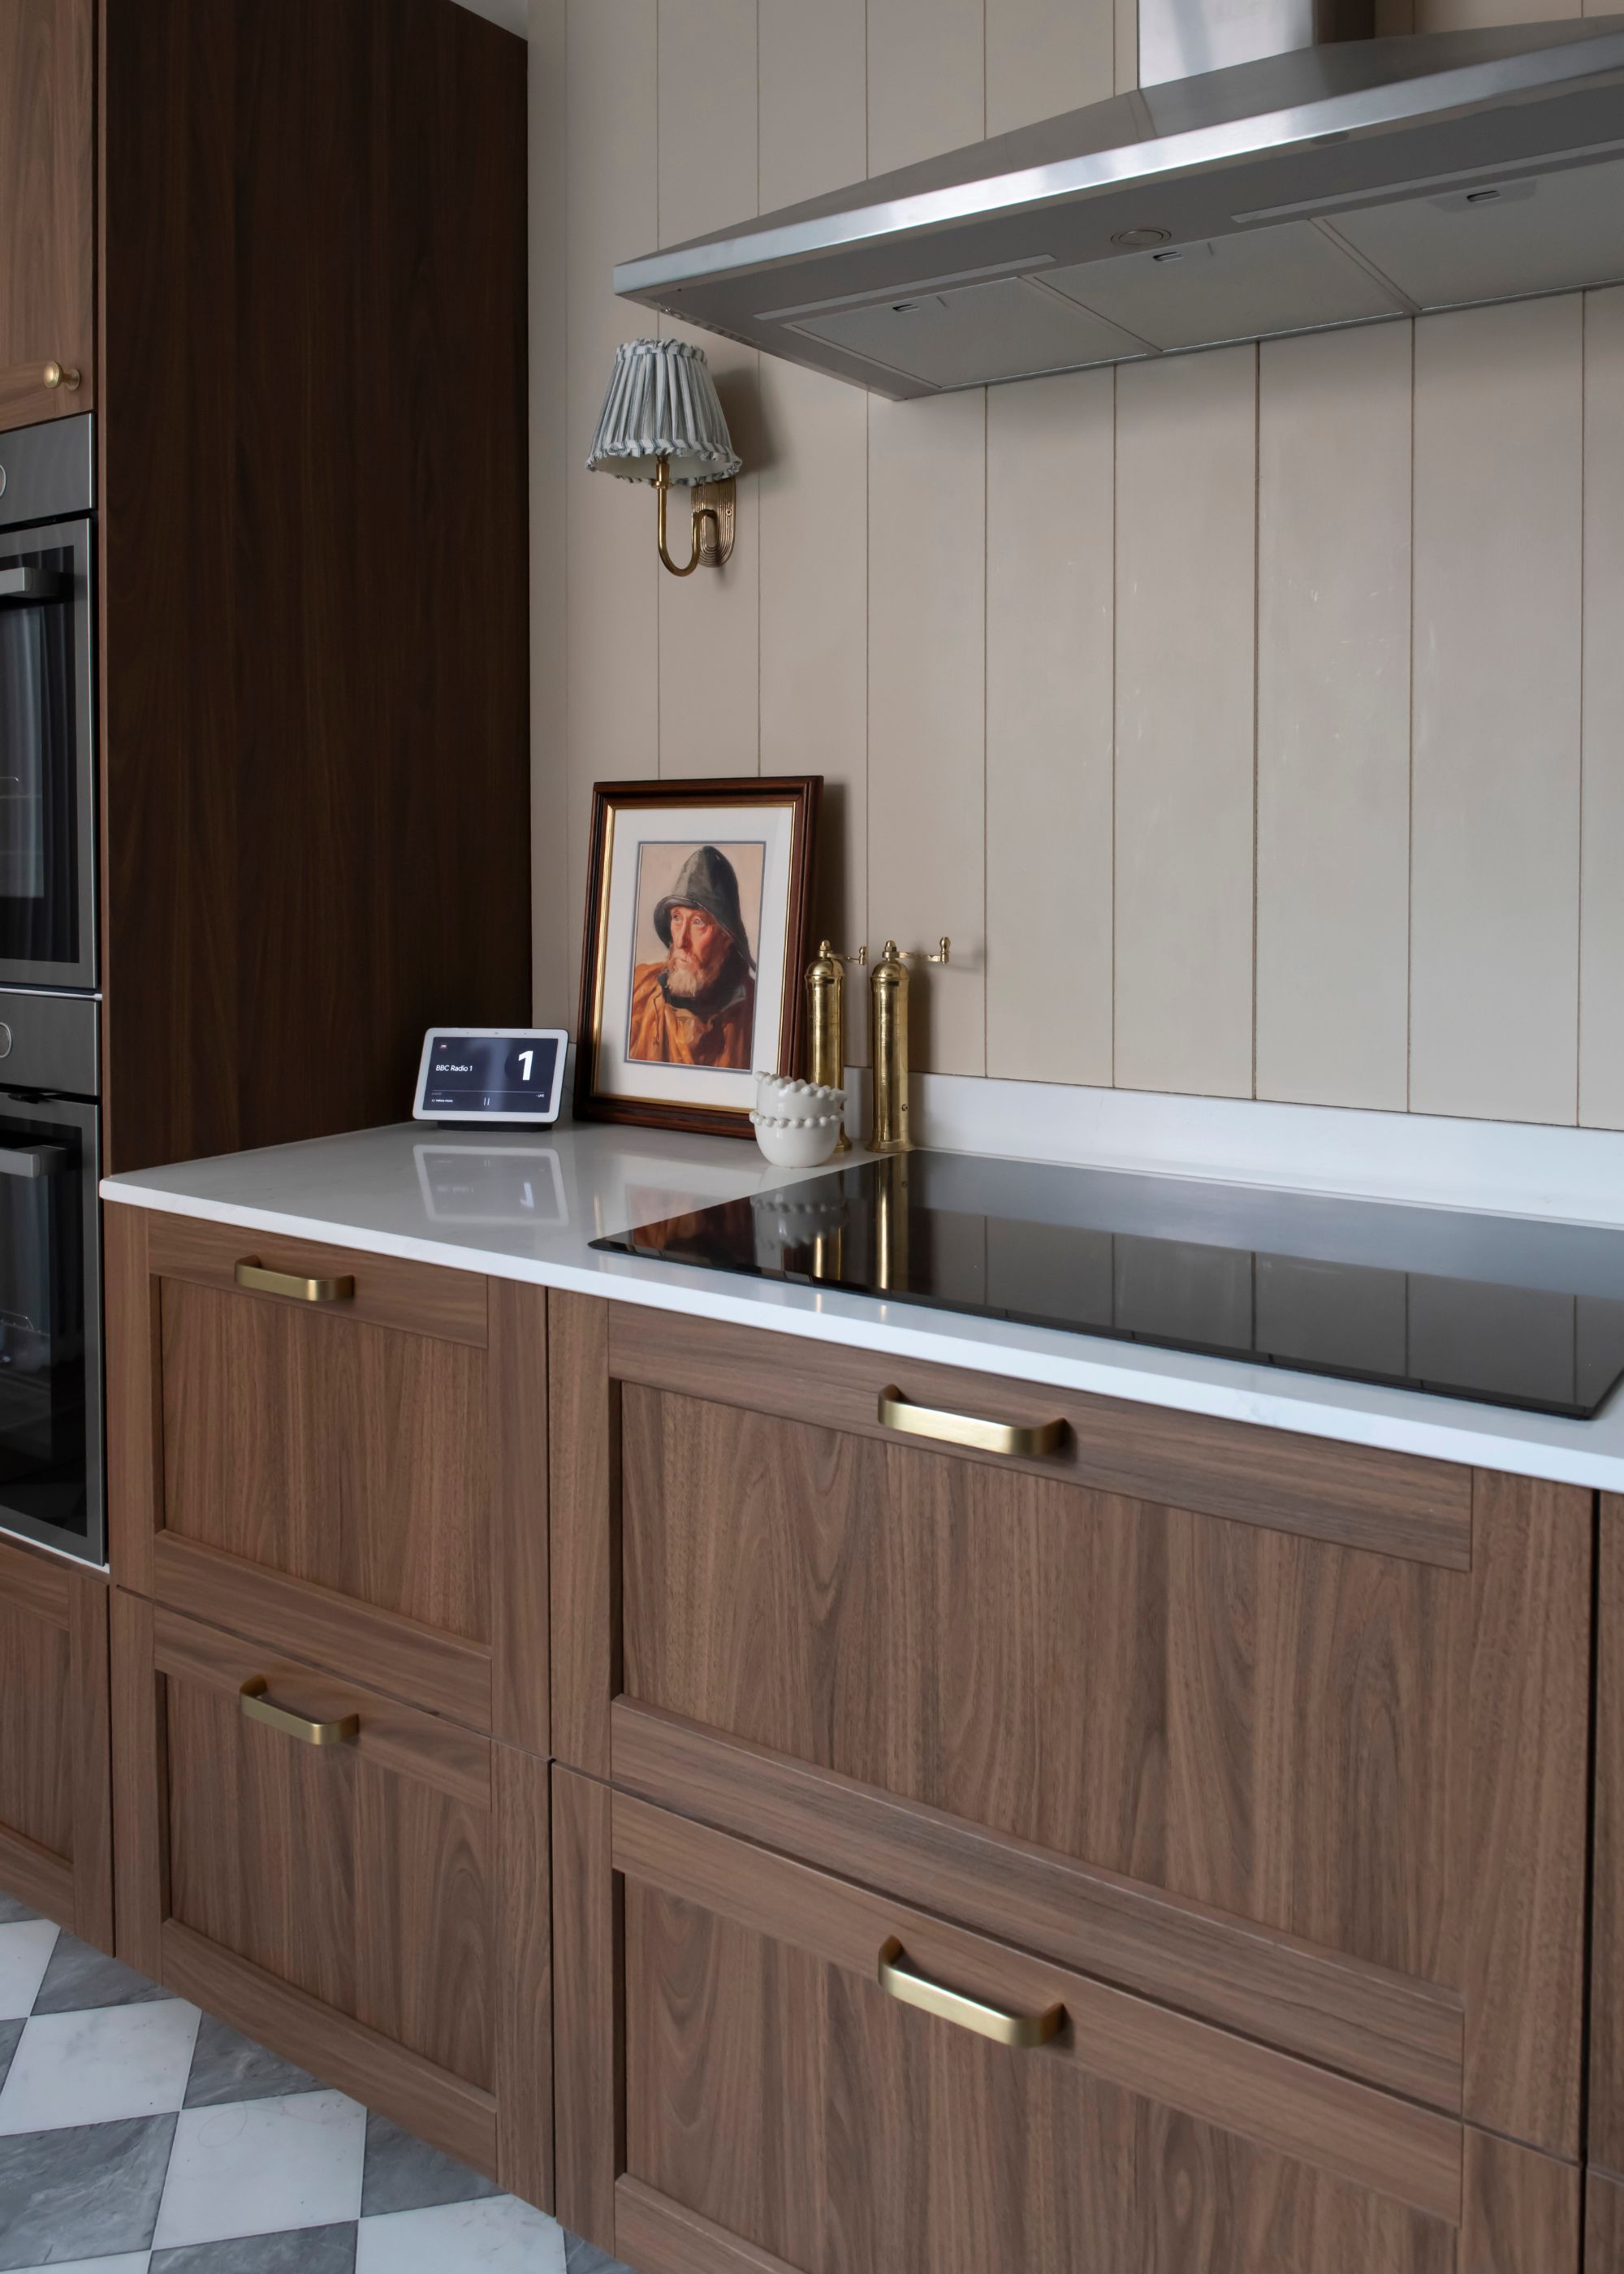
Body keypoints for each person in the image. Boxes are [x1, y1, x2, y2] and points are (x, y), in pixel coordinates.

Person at [627, 845, 757, 1069]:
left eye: (698, 922)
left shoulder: (754, 1010)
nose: (680, 941)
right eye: (677, 918)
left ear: (727, 937)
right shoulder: (638, 990)